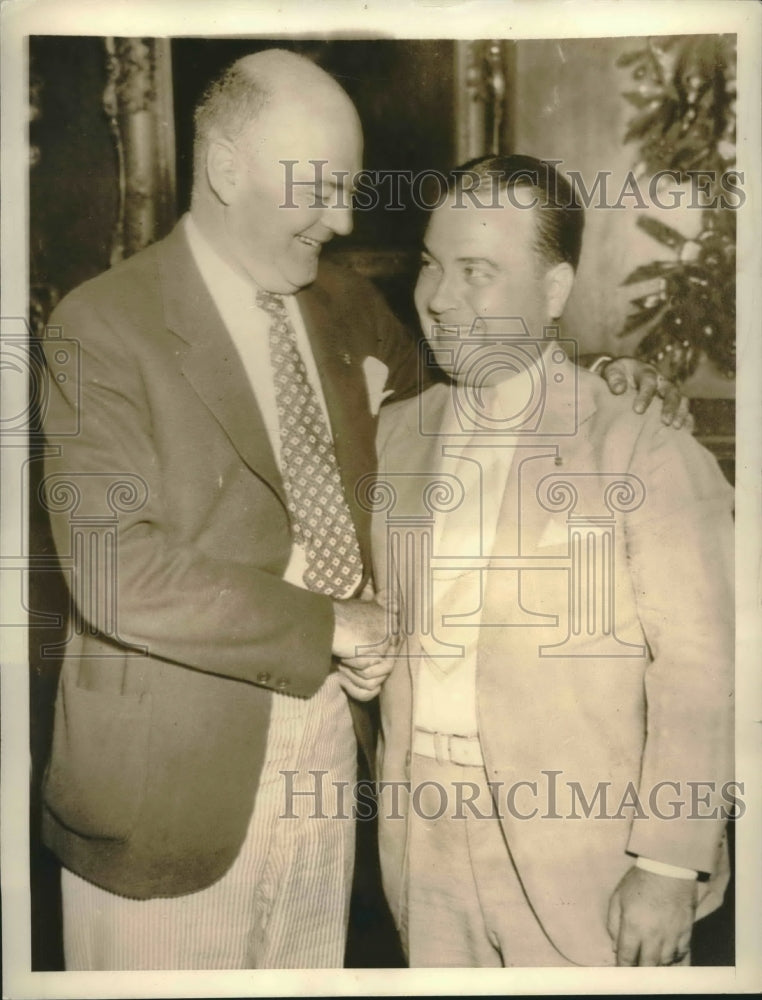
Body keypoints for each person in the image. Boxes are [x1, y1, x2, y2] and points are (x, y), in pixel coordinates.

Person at [39, 51, 684, 970]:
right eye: (325, 187)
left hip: (337, 755)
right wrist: (331, 622)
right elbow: (114, 572)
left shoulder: (347, 305)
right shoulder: (99, 325)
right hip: (169, 792)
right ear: (228, 168)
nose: (342, 218)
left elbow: (473, 403)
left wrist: (599, 377)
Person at [372, 155, 734, 968]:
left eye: (477, 272)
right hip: (418, 837)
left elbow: (705, 670)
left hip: (591, 862)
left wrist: (668, 865)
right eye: (432, 264)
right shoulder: (396, 434)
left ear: (555, 290)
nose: (439, 298)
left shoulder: (643, 446)